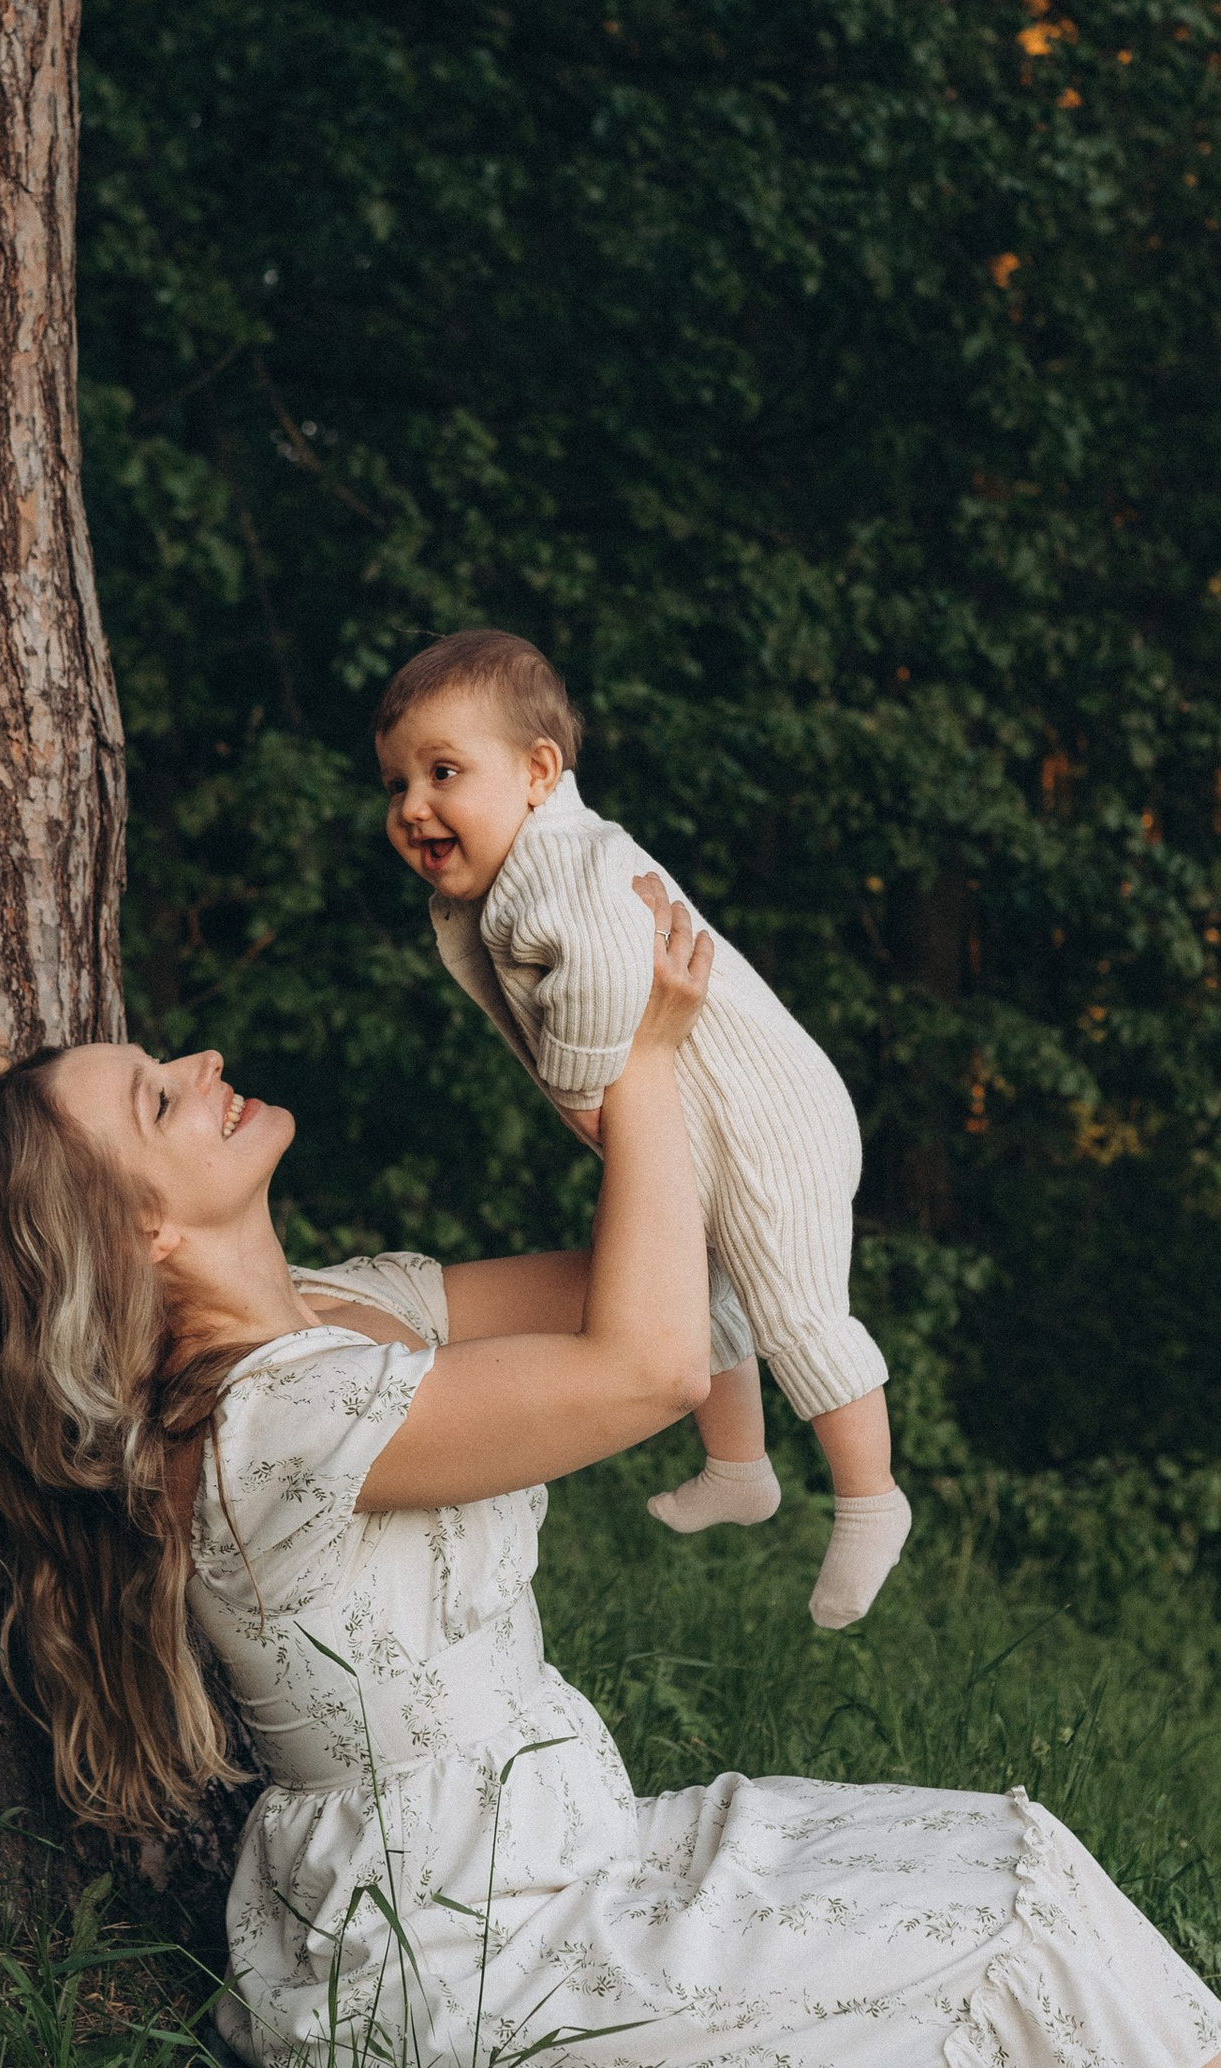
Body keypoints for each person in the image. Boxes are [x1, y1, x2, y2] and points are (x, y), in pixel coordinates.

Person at [0, 875, 1221, 2068]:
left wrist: (605, 1050)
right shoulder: (259, 1429)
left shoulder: (354, 1310)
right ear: (142, 1234)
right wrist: (652, 1065)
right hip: (464, 1951)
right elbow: (654, 1365)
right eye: (158, 1097)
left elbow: (700, 1281)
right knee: (989, 1924)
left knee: (1018, 1854)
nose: (204, 1060)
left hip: (565, 1853)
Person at [373, 626, 908, 1627]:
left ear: (538, 772)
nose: (412, 807)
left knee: (797, 1311)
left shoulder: (561, 862)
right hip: (705, 1130)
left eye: (443, 771)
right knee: (700, 1290)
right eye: (395, 784)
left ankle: (872, 1499)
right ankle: (739, 1467)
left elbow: (615, 970)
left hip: (767, 1126)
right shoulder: (519, 870)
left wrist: (579, 1084)